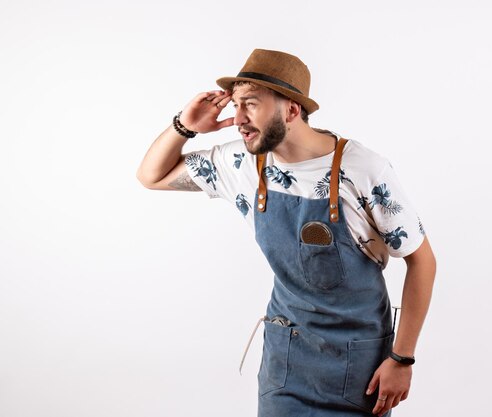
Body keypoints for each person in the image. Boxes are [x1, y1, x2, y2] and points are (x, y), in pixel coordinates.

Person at [136, 48, 436, 417]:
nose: (238, 119)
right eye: (236, 105)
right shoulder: (242, 163)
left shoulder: (363, 169)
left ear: (291, 110)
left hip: (360, 368)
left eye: (250, 104)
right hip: (287, 363)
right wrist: (185, 126)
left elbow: (422, 261)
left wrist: (401, 359)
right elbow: (151, 176)